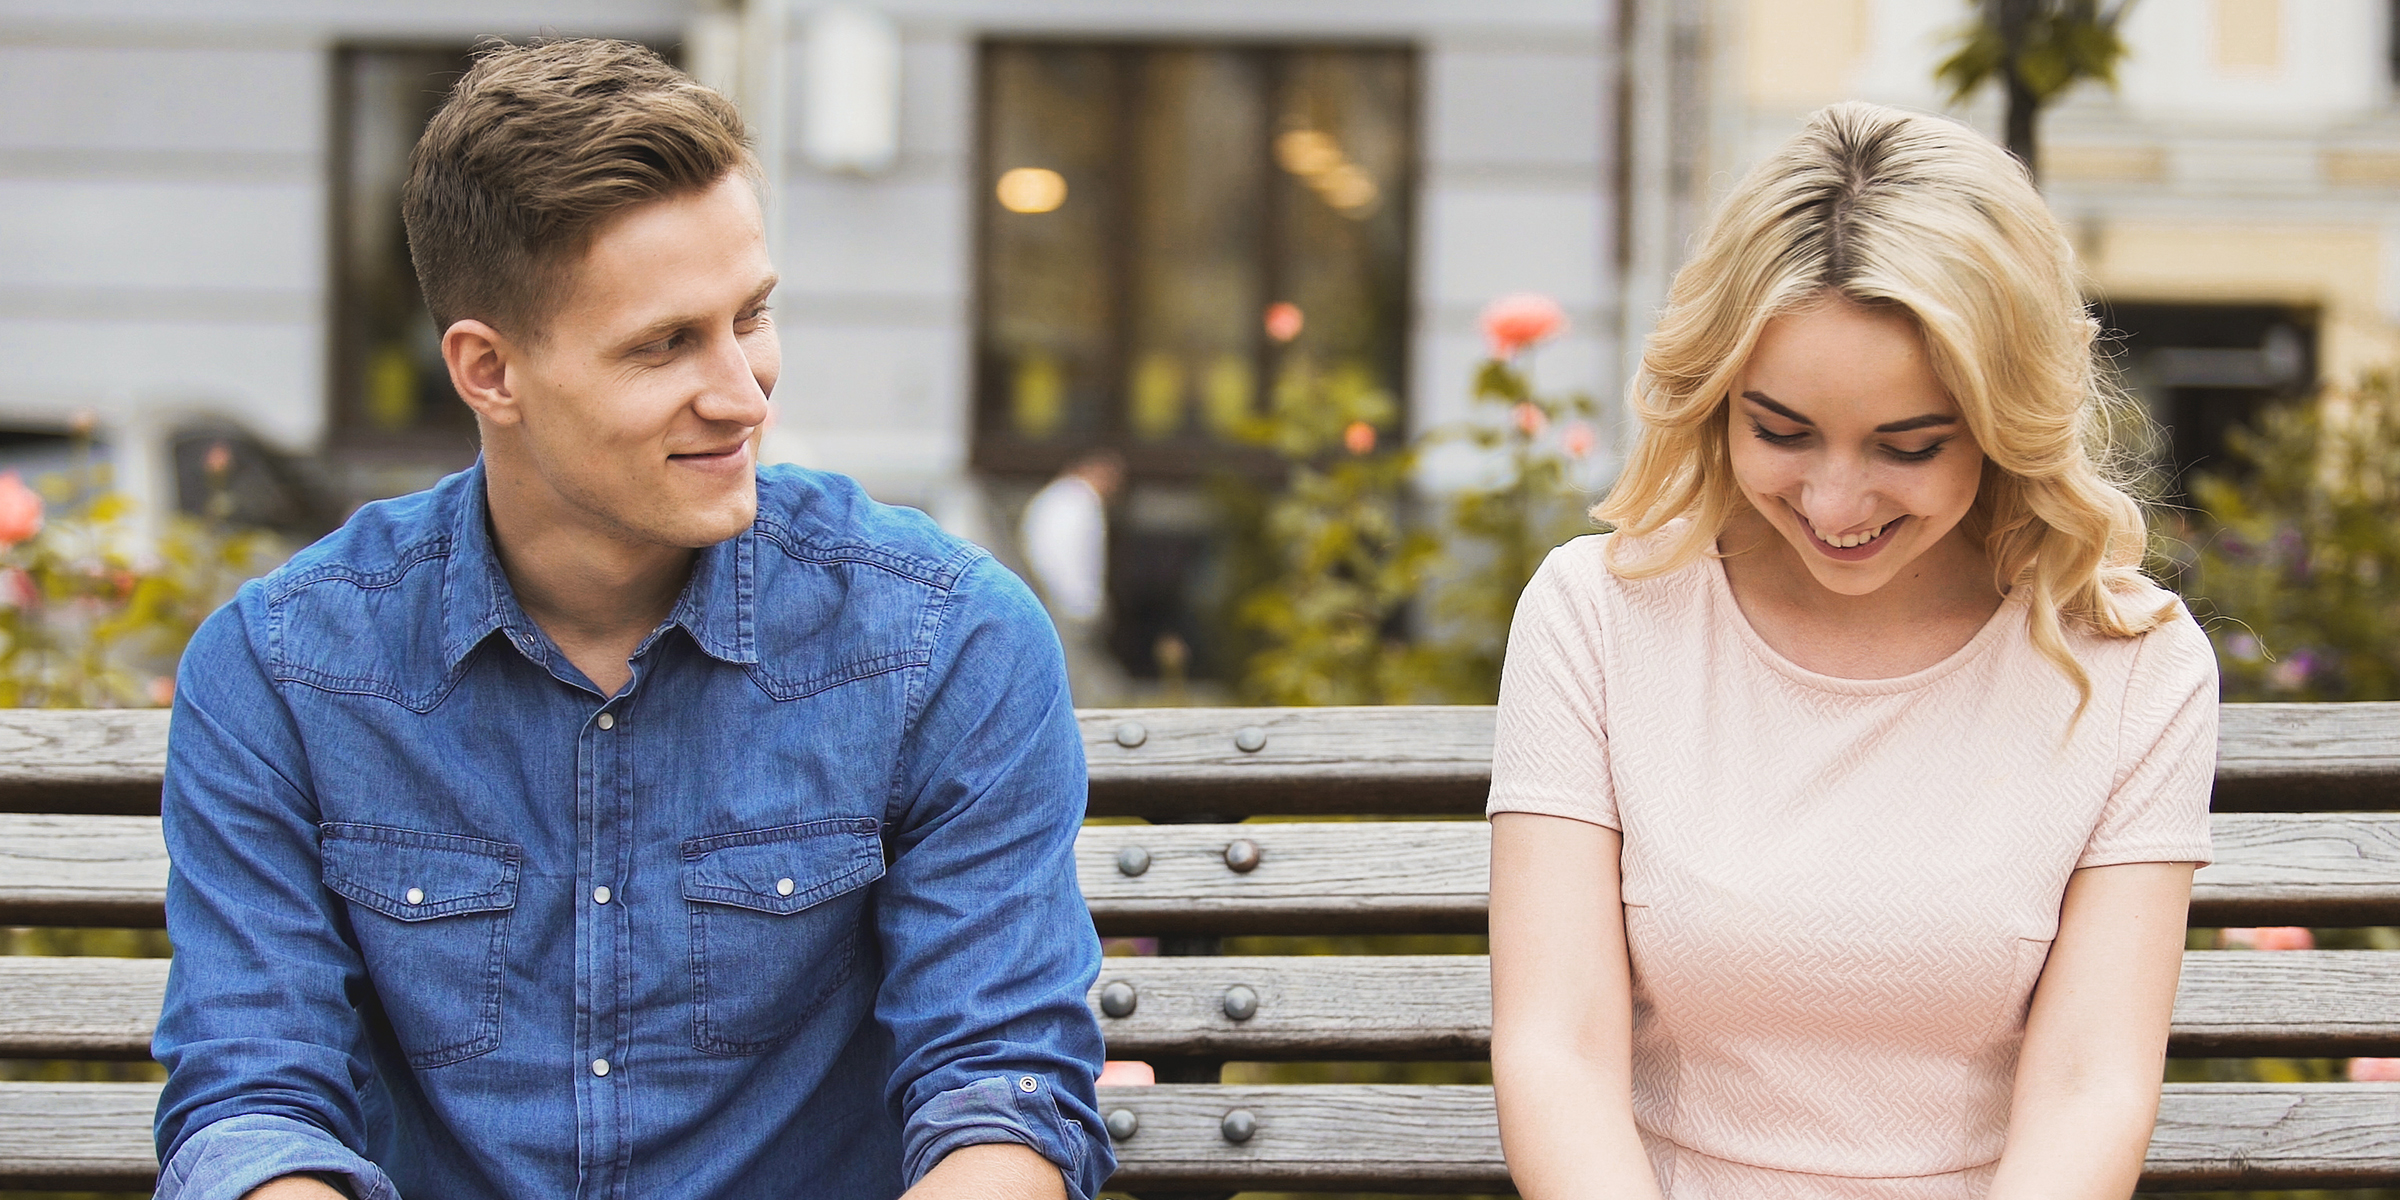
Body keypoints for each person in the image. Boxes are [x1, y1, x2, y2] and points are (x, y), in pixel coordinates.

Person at [150, 40, 1110, 1200]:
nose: (744, 392)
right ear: (489, 372)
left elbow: (997, 1082)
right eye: (666, 343)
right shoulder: (286, 673)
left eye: (750, 316)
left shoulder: (944, 642)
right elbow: (254, 1104)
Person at [1486, 101, 2216, 1198]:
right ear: (1718, 396)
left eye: (1908, 446)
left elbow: (2088, 1090)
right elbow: (1559, 1053)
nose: (1836, 501)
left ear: (2004, 420)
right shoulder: (1596, 617)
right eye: (1779, 431)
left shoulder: (2132, 667)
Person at [1017, 450, 1128, 703]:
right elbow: (1066, 559)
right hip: (1068, 609)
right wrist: (1083, 605)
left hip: (1060, 605)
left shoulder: (1058, 499)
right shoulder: (1076, 501)